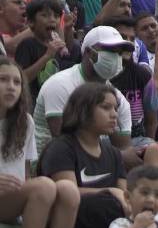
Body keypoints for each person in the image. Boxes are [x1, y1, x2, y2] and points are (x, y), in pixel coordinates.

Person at [0, 56, 78, 228]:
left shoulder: (26, 122)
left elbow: (24, 173)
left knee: (68, 191)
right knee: (44, 185)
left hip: (10, 201)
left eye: (17, 82)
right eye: (3, 80)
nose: (11, 86)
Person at [37, 81, 127, 228]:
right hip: (71, 215)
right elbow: (66, 194)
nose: (114, 114)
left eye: (115, 108)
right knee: (100, 206)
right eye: (106, 107)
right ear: (83, 110)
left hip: (109, 213)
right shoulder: (61, 147)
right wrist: (109, 191)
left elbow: (124, 196)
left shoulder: (114, 153)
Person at [32, 24, 133, 156]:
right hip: (48, 164)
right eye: (110, 50)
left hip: (94, 161)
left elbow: (123, 149)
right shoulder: (60, 85)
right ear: (89, 53)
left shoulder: (118, 100)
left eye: (119, 53)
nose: (116, 58)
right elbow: (64, 143)